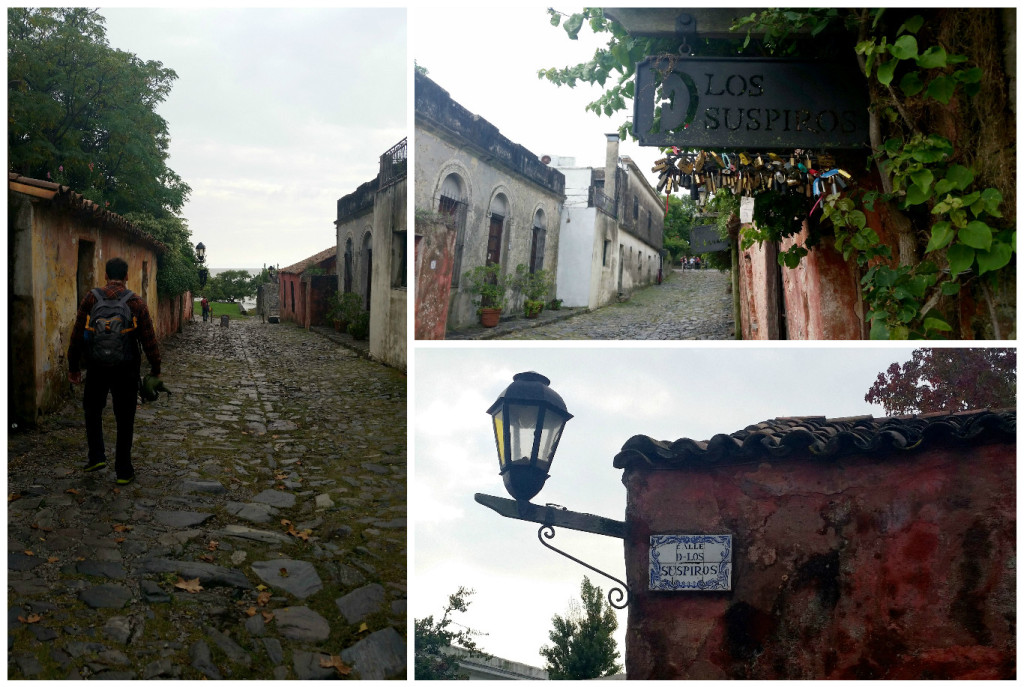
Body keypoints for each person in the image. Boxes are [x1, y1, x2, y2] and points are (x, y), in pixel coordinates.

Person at [68, 257, 161, 484]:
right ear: (127, 276)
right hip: (126, 368)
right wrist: (155, 368)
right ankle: (123, 470)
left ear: (106, 275)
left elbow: (78, 333)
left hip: (97, 366)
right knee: (125, 417)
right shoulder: (136, 302)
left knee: (92, 410)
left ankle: (97, 456)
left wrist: (73, 366)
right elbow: (148, 338)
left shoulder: (91, 298)